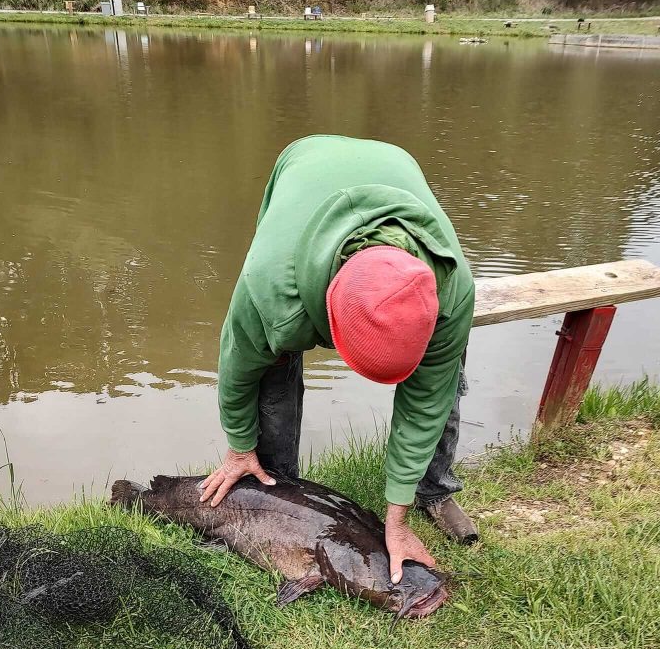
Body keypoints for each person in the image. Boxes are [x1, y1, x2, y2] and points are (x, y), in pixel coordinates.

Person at [201, 135, 477, 582]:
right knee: (273, 356)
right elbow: (237, 368)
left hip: (394, 160)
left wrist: (397, 517)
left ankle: (434, 490)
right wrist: (238, 446)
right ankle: (278, 489)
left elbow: (426, 401)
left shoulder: (452, 290)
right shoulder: (272, 283)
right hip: (303, 160)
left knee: (442, 382)